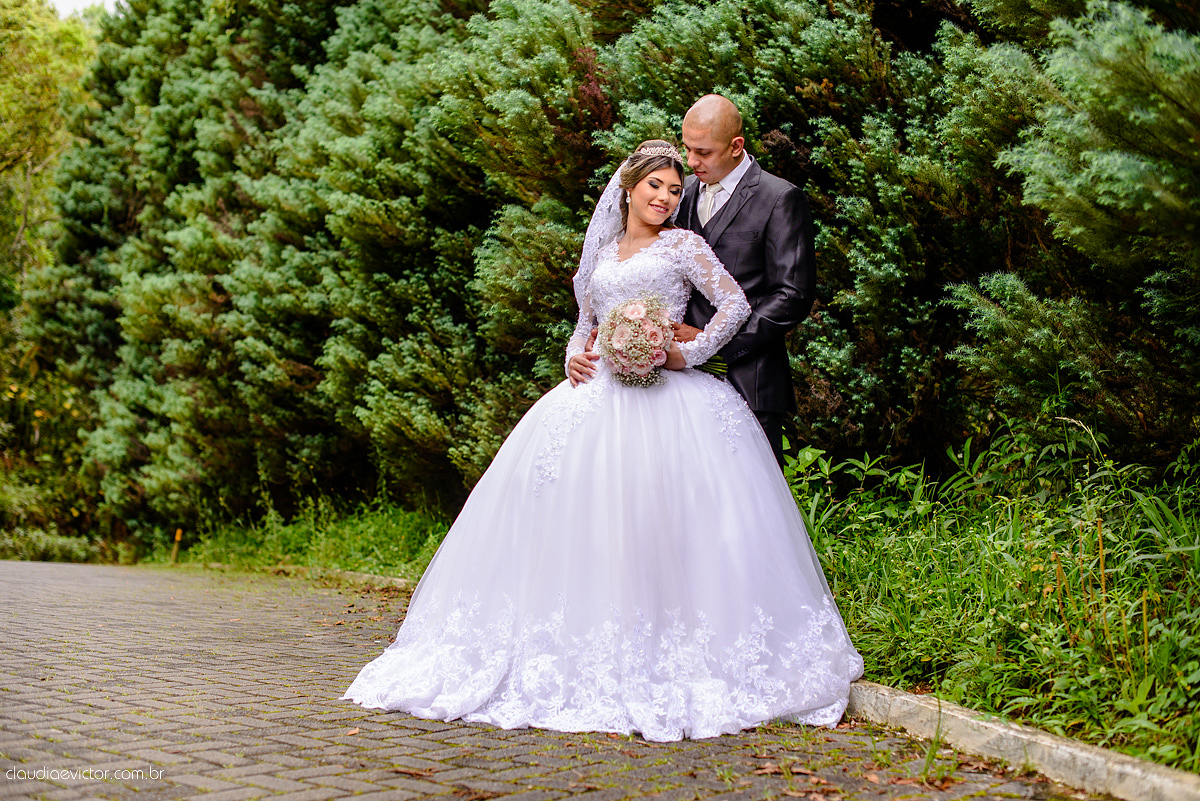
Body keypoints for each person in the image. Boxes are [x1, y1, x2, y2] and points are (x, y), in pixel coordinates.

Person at [341, 140, 863, 742]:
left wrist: (687, 353)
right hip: (596, 397)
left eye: (675, 189)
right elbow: (585, 322)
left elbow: (734, 304)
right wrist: (573, 356)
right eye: (655, 186)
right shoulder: (604, 253)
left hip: (672, 400)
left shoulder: (684, 246)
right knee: (583, 518)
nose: (665, 197)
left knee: (663, 520)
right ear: (629, 188)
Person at [674, 95, 816, 467]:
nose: (691, 161)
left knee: (753, 494)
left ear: (736, 146)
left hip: (750, 378)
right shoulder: (678, 194)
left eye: (703, 152)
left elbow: (792, 295)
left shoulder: (779, 198)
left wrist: (715, 344)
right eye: (687, 149)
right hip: (677, 382)